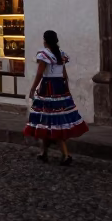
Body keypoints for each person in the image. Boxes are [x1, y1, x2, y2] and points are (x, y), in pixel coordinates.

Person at [24, 30, 88, 165]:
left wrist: (33, 88)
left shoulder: (44, 54)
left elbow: (40, 73)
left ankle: (65, 154)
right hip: (59, 88)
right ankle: (44, 152)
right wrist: (67, 90)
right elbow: (64, 75)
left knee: (50, 121)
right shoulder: (61, 55)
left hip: (48, 89)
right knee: (52, 121)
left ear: (45, 40)